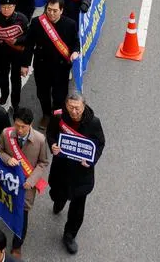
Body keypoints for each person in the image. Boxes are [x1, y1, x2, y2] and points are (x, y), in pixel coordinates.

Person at [47, 92, 106, 255]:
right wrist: (52, 144)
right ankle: (59, 200)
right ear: (65, 105)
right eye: (71, 107)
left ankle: (70, 235)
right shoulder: (58, 118)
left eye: (77, 108)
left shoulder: (94, 123)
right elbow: (50, 134)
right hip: (61, 168)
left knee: (77, 208)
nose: (74, 111)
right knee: (57, 194)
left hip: (82, 174)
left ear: (84, 105)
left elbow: (100, 143)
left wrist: (92, 159)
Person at [0, 107, 50, 256]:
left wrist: (31, 181)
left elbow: (43, 162)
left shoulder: (40, 140)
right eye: (17, 125)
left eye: (23, 127)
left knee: (22, 216)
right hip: (8, 181)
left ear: (30, 124)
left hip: (26, 185)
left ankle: (17, 244)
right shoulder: (6, 134)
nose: (19, 129)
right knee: (6, 205)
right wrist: (7, 158)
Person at [22, 0, 79, 127]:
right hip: (42, 66)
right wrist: (25, 64)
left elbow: (75, 42)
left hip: (61, 67)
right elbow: (29, 44)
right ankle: (46, 114)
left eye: (55, 11)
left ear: (61, 10)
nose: (51, 13)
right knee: (42, 94)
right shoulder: (37, 23)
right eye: (49, 10)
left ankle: (57, 116)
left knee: (59, 95)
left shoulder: (70, 24)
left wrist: (75, 51)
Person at [0, 0, 29, 108]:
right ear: (0, 7)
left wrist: (17, 40)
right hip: (2, 52)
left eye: (9, 7)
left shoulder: (22, 19)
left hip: (17, 52)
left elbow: (29, 38)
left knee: (16, 78)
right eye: (3, 7)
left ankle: (15, 101)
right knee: (3, 74)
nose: (6, 9)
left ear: (14, 7)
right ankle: (4, 94)